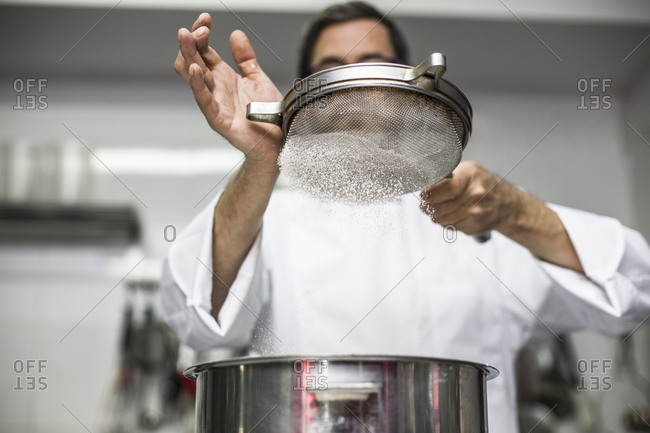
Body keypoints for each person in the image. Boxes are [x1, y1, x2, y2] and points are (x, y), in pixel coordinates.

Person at [161, 2, 650, 432]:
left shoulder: (483, 216)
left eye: (370, 67)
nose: (352, 89)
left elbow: (635, 288)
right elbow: (192, 314)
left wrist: (516, 211)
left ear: (407, 83)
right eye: (333, 71)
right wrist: (262, 162)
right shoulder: (275, 212)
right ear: (308, 94)